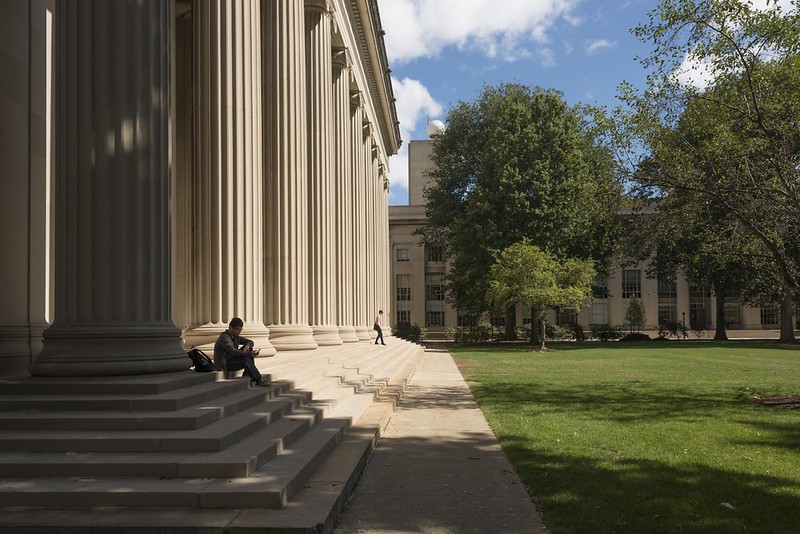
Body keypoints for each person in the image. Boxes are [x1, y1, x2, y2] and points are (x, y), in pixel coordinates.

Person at [214, 317, 271, 388]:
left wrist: (247, 346)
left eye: (240, 330)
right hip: (225, 365)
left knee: (249, 348)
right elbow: (233, 351)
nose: (239, 332)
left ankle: (247, 373)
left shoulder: (235, 337)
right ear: (231, 328)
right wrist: (249, 354)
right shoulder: (225, 338)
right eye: (237, 329)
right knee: (245, 358)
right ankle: (258, 380)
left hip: (231, 360)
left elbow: (250, 342)